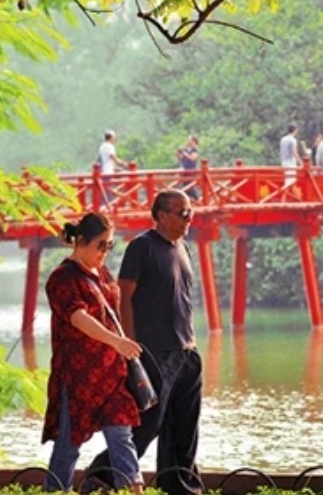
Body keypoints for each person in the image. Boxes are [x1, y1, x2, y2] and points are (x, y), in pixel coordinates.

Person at [90, 189, 203, 495]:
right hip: (154, 351)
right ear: (162, 215)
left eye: (190, 212)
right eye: (182, 213)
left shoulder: (182, 248)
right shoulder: (142, 246)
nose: (188, 218)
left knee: (184, 425)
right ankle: (102, 477)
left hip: (186, 350)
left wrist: (190, 345)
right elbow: (125, 294)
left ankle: (180, 486)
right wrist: (129, 343)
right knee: (148, 422)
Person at [43, 212, 145, 493]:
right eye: (101, 245)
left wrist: (121, 344)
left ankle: (135, 489)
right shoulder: (62, 278)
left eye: (109, 246)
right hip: (78, 377)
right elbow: (78, 317)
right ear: (81, 241)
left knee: (121, 434)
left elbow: (112, 312)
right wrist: (116, 341)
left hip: (111, 371)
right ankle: (56, 490)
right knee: (69, 444)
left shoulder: (103, 275)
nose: (105, 252)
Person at [98, 130, 126, 208]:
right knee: (109, 188)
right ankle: (109, 205)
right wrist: (123, 163)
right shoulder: (110, 146)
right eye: (114, 137)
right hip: (108, 171)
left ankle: (104, 204)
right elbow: (113, 157)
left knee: (105, 188)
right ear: (111, 137)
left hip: (103, 171)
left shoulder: (102, 146)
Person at [176, 135, 201, 200]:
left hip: (191, 171)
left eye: (189, 140)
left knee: (190, 186)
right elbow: (181, 158)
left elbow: (193, 158)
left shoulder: (195, 150)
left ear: (193, 141)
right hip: (185, 171)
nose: (188, 141)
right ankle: (190, 200)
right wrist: (179, 154)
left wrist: (185, 154)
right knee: (186, 185)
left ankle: (196, 200)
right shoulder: (186, 149)